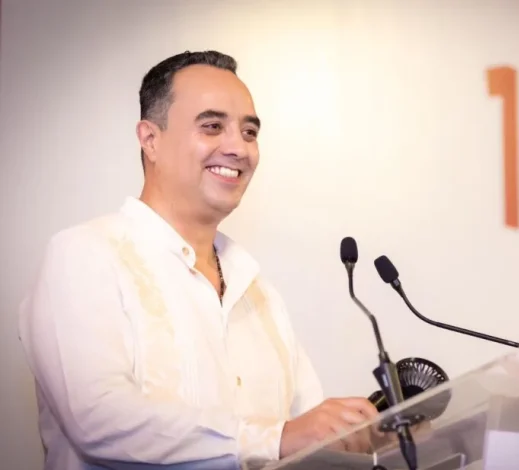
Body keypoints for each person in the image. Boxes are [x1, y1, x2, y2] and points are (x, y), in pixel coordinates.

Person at [18, 50, 378, 470]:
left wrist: (373, 435)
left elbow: (306, 433)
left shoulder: (258, 292)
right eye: (212, 126)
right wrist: (274, 437)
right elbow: (98, 419)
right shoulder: (84, 254)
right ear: (150, 139)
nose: (239, 148)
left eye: (249, 132)